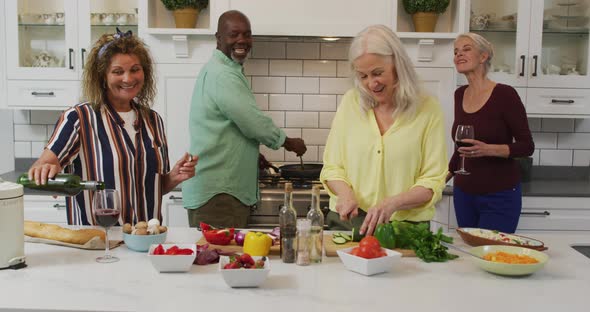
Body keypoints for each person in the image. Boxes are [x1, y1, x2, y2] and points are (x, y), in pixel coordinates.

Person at [27, 28, 198, 225]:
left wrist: (173, 178)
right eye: (118, 72)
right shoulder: (79, 118)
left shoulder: (153, 121)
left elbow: (150, 188)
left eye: (135, 69)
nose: (128, 78)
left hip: (145, 238)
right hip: (98, 243)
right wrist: (45, 170)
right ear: (102, 76)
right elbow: (44, 164)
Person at [182, 10, 307, 228]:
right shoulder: (223, 75)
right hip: (219, 194)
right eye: (234, 34)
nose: (242, 40)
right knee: (220, 259)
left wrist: (249, 155)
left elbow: (227, 127)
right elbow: (253, 122)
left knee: (220, 260)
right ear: (218, 38)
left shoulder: (222, 69)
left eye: (247, 34)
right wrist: (288, 142)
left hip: (218, 191)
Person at [320, 25, 448, 236]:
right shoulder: (350, 103)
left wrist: (393, 203)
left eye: (378, 73)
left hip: (405, 227)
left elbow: (433, 181)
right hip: (349, 223)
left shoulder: (428, 108)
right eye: (363, 76)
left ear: (398, 65)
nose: (371, 83)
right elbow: (333, 167)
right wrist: (346, 195)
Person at [448, 33, 534, 233]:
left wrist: (489, 150)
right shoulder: (459, 94)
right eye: (455, 51)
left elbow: (526, 145)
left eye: (466, 49)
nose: (459, 54)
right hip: (464, 194)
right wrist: (434, 186)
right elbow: (460, 149)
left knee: (493, 255)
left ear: (483, 56)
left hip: (499, 195)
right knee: (470, 256)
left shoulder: (505, 94)